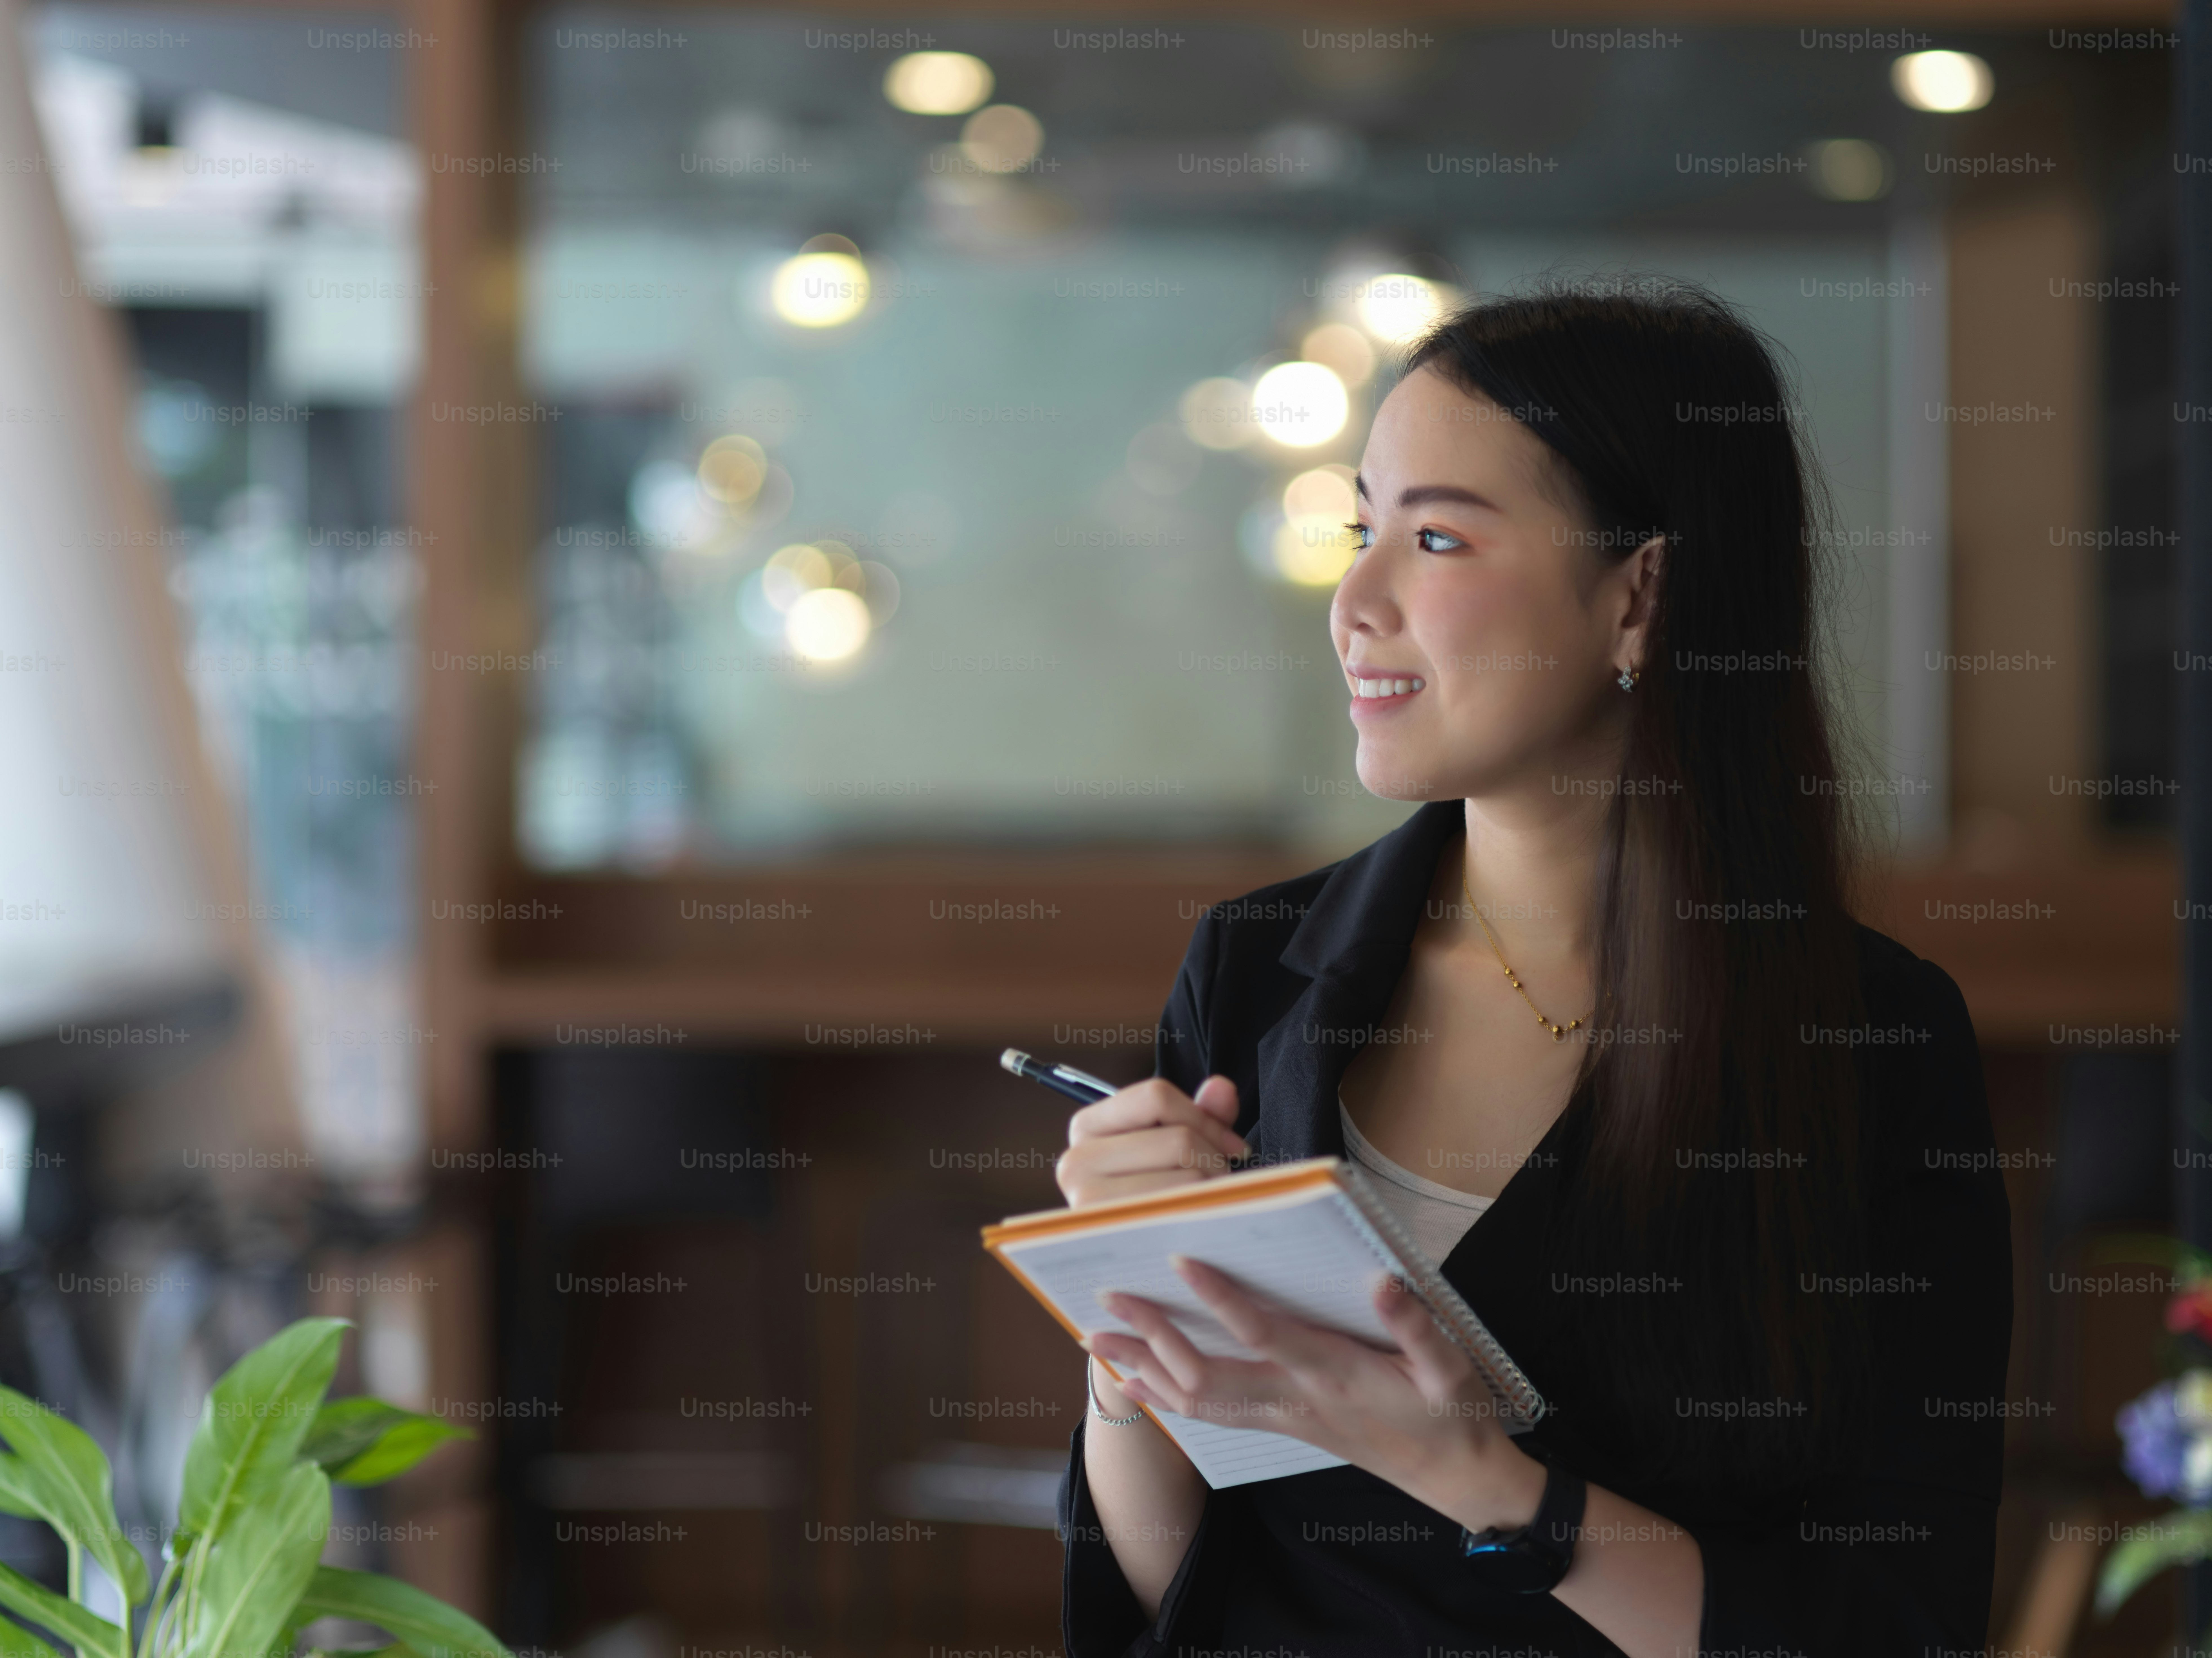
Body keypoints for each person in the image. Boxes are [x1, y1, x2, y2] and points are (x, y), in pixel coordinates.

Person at [1051, 279, 2013, 1658]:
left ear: (1641, 594)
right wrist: (1123, 1335)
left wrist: (1483, 1479)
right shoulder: (1259, 969)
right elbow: (1163, 1598)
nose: (1355, 601)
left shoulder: (1875, 1044)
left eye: (1434, 536)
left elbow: (1893, 1626)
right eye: (1358, 528)